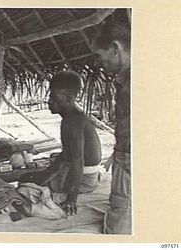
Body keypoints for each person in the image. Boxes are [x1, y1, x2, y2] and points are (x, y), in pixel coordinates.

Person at [21, 71, 102, 216]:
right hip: (87, 176)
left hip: (85, 180)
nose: (50, 101)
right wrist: (48, 173)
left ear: (69, 98)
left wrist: (71, 198)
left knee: (26, 182)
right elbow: (67, 153)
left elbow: (78, 160)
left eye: (54, 97)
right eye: (50, 96)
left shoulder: (72, 122)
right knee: (36, 177)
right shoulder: (72, 118)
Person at [91, 21, 131, 234]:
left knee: (121, 221)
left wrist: (125, 156)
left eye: (99, 55)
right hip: (126, 158)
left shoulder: (135, 81)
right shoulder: (127, 80)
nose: (97, 63)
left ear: (115, 49)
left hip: (130, 163)